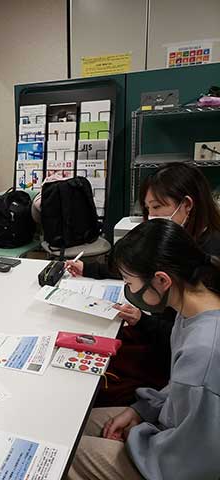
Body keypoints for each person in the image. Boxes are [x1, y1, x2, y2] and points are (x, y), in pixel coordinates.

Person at [68, 219, 220, 480]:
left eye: (129, 282)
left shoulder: (204, 350)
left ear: (161, 280)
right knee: (72, 424)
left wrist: (135, 436)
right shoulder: (192, 309)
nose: (128, 290)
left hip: (175, 461)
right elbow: (180, 390)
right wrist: (141, 410)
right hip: (170, 431)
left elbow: (193, 461)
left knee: (66, 454)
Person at [65, 162, 220, 405]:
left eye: (158, 207)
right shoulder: (186, 245)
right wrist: (90, 268)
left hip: (168, 368)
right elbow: (140, 265)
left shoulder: (204, 276)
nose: (151, 217)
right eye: (148, 209)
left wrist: (143, 321)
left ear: (187, 205)